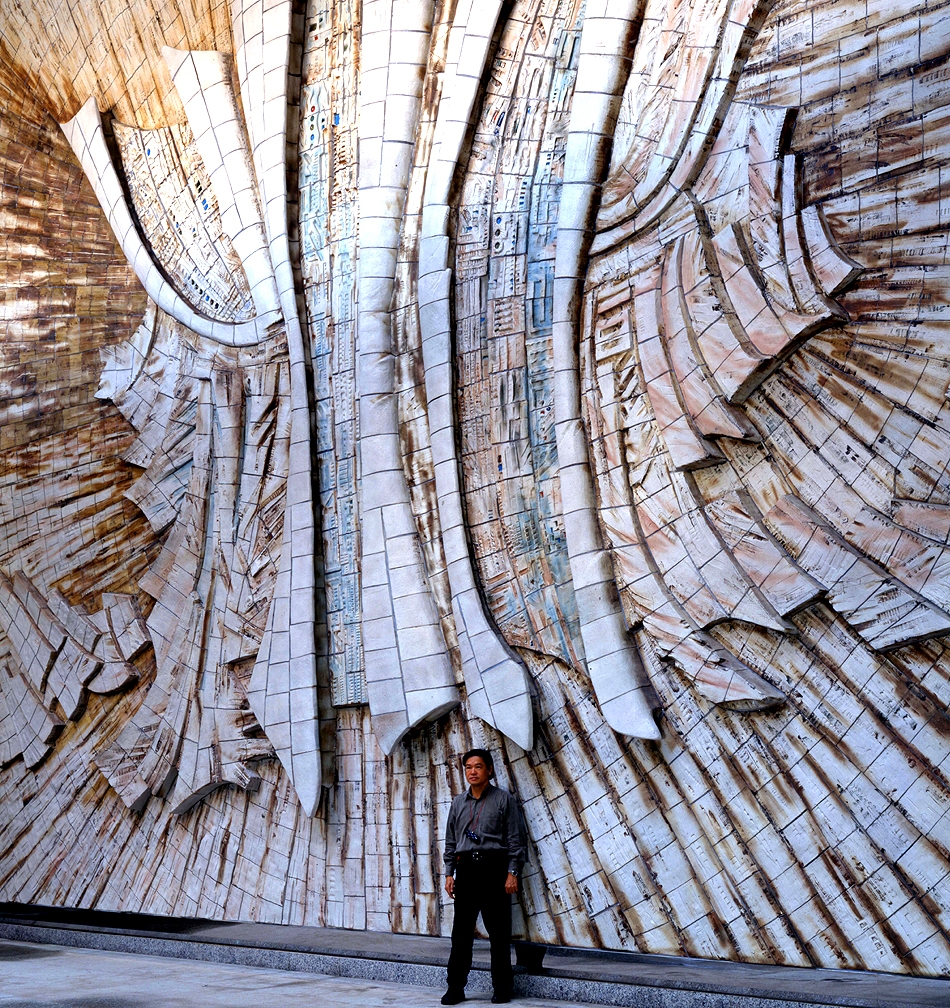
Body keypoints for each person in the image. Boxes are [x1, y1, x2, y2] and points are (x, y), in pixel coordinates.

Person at [442, 748, 527, 1005]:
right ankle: (455, 988)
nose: (473, 772)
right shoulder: (458, 803)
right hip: (466, 871)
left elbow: (516, 840)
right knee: (461, 934)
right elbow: (450, 841)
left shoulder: (503, 800)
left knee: (498, 934)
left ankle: (502, 988)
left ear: (489, 770)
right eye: (468, 767)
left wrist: (512, 872)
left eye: (478, 767)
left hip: (494, 870)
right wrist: (449, 873)